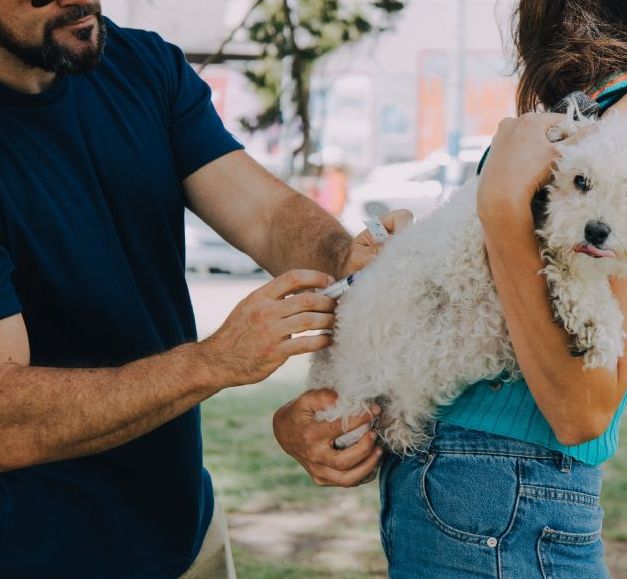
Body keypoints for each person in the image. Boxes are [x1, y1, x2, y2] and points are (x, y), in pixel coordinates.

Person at [0, 1, 410, 577]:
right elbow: (6, 419)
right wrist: (216, 362)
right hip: (39, 555)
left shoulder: (142, 64)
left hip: (186, 535)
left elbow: (264, 215)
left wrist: (346, 256)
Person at [378, 1, 627, 576]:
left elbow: (584, 407)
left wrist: (503, 209)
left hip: (503, 490)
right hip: (473, 482)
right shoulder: (602, 111)